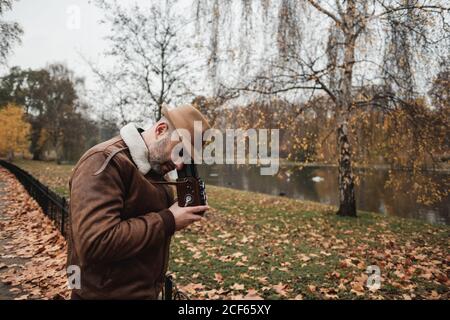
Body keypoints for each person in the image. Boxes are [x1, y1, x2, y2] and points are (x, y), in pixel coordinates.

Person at [67, 105, 210, 299]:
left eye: (186, 158)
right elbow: (96, 243)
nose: (179, 165)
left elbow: (142, 215)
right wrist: (170, 219)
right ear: (161, 130)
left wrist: (179, 211)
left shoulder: (154, 169)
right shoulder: (104, 161)